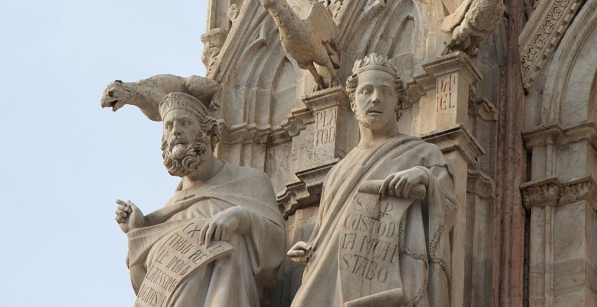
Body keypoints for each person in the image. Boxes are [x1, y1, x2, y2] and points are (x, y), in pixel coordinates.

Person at [288, 54, 457, 306]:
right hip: (330, 281)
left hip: (388, 282)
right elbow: (328, 231)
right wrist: (309, 248)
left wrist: (424, 177)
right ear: (353, 102)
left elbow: (449, 210)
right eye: (366, 91)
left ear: (398, 102)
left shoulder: (422, 154)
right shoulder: (337, 172)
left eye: (385, 92)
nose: (376, 98)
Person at [116, 92, 285, 306]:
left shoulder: (249, 182)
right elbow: (148, 290)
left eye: (185, 123)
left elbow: (277, 248)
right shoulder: (167, 214)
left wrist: (241, 218)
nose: (176, 131)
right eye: (169, 126)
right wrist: (136, 234)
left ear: (207, 132)